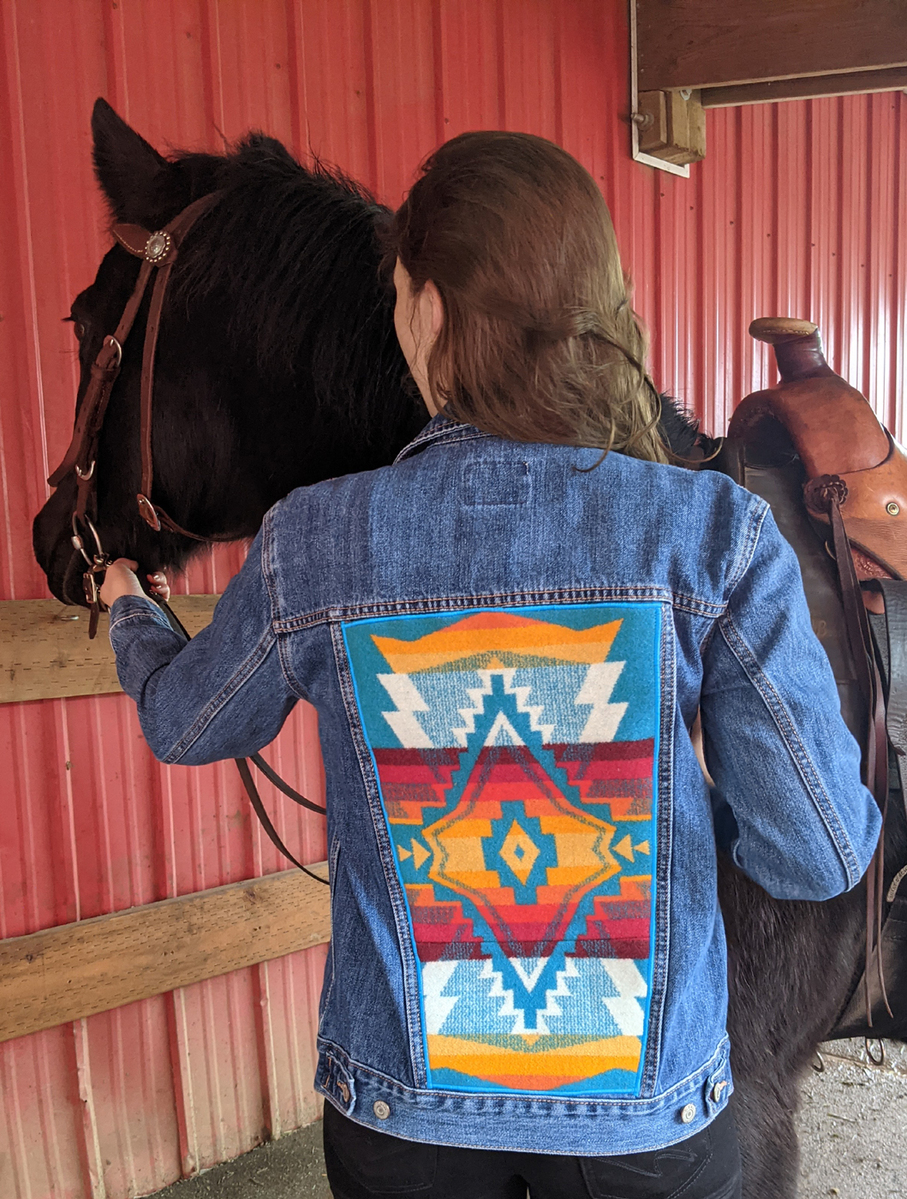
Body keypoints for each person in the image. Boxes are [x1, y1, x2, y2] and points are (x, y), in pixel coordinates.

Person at [100, 131, 880, 1199]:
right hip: (642, 1124)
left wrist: (133, 612)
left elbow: (184, 722)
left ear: (424, 312)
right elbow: (817, 853)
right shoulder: (713, 535)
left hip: (403, 1116)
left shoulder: (311, 542)